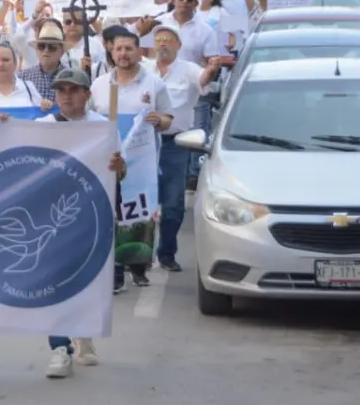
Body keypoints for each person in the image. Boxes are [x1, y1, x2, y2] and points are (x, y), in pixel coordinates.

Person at [29, 68, 126, 378]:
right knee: (52, 279)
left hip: (89, 215)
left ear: (87, 94)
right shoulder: (41, 127)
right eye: (61, 90)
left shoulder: (103, 128)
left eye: (73, 90)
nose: (67, 96)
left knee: (83, 277)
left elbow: (119, 173)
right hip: (51, 217)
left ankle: (82, 331)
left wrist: (118, 165)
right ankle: (60, 347)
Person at [90, 28, 173, 290]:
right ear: (111, 52)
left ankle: (137, 264)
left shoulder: (154, 84)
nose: (123, 54)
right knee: (110, 208)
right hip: (108, 157)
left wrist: (159, 120)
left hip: (140, 160)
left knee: (138, 207)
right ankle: (114, 269)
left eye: (129, 49)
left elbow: (169, 119)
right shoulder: (100, 84)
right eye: (118, 49)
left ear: (139, 52)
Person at [147, 24, 219, 271]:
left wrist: (210, 71)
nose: (163, 44)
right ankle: (138, 256)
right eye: (159, 40)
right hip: (144, 145)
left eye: (168, 40)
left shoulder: (188, 69)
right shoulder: (144, 69)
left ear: (179, 45)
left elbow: (203, 80)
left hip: (174, 145)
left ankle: (166, 253)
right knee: (141, 200)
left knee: (172, 203)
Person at [18, 20, 68, 102]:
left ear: (61, 52)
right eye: (41, 46)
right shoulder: (23, 77)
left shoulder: (71, 78)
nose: (46, 50)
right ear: (36, 49)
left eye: (52, 46)